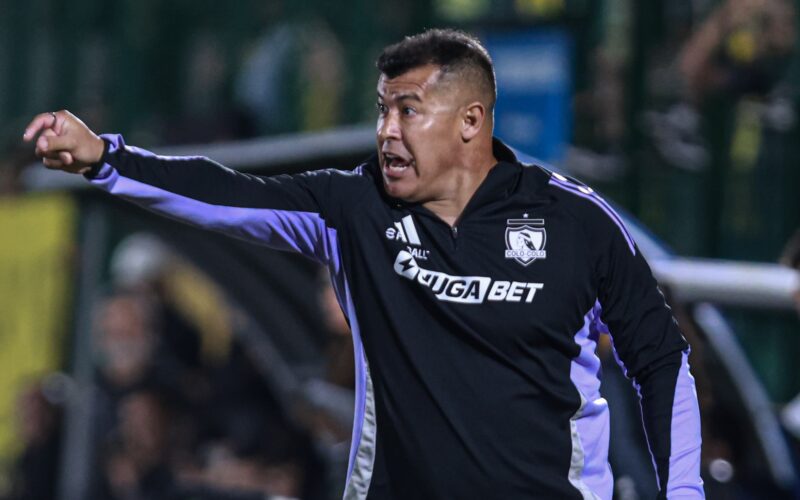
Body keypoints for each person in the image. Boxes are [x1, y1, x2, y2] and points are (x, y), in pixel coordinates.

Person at [24, 28, 703, 499]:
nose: (386, 131)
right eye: (382, 110)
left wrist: (685, 494)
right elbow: (228, 194)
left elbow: (660, 361)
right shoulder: (357, 208)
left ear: (471, 122)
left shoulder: (578, 223)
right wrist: (107, 159)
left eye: (409, 111)